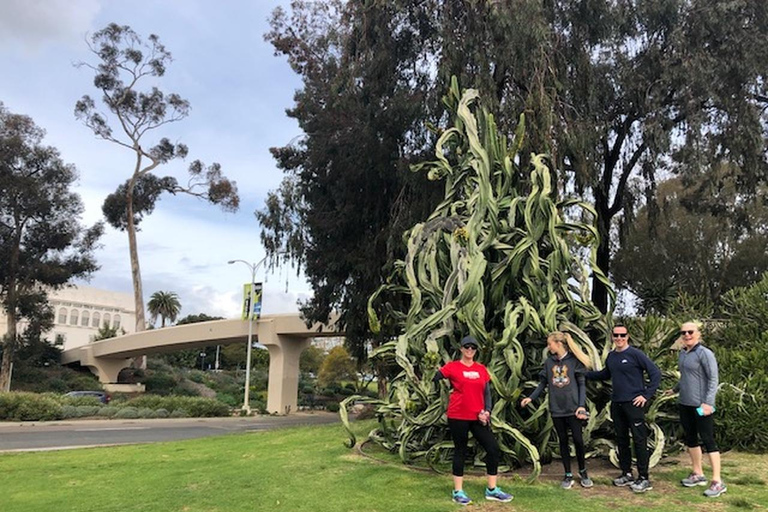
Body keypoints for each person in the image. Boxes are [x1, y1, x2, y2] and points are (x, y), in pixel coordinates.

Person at [433, 335, 513, 505]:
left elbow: (487, 393)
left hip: (478, 416)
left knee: (492, 448)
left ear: (476, 350)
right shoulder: (453, 367)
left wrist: (488, 411)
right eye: (467, 347)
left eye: (473, 348)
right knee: (460, 451)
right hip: (458, 416)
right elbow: (435, 377)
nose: (470, 350)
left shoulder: (481, 369)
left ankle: (492, 489)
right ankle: (458, 491)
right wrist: (434, 374)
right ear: (461, 349)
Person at [585, 325, 661, 493]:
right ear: (612, 337)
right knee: (622, 440)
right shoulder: (612, 356)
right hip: (617, 404)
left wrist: (646, 395)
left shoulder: (636, 354)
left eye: (622, 335)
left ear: (628, 336)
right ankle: (626, 473)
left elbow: (655, 373)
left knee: (639, 440)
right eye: (616, 335)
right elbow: (606, 374)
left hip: (634, 404)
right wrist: (584, 374)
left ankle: (644, 477)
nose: (619, 338)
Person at [520, 331, 594, 489]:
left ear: (558, 344)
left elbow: (581, 385)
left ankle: (583, 471)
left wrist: (581, 405)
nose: (548, 347)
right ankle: (567, 474)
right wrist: (531, 397)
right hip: (556, 409)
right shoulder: (549, 363)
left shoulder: (575, 361)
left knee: (578, 440)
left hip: (574, 409)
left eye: (550, 344)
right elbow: (542, 384)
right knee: (563, 441)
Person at [674, 322, 726, 498]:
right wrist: (674, 389)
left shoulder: (705, 354)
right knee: (690, 438)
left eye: (690, 332)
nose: (687, 335)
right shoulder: (683, 353)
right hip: (685, 404)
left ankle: (717, 481)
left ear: (698, 333)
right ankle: (698, 473)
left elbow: (713, 380)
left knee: (708, 439)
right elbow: (685, 378)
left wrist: (707, 403)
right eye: (683, 332)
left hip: (702, 406)